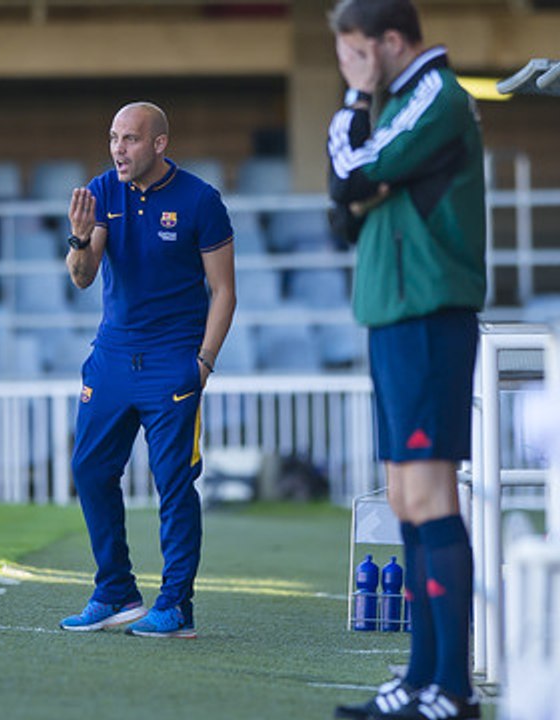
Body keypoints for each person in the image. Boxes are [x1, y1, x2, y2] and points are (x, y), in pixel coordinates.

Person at [326, 1, 486, 718]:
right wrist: (362, 177)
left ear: (391, 42)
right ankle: (422, 680)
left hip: (427, 315)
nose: (348, 70)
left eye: (355, 54)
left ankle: (451, 688)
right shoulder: (396, 107)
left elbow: (357, 173)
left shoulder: (437, 95)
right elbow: (342, 206)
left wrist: (358, 113)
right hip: (391, 314)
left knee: (429, 498)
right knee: (403, 503)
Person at [59, 102, 236, 638]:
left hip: (172, 362)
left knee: (174, 484)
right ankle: (115, 591)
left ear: (159, 144)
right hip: (112, 357)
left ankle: (176, 606)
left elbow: (224, 291)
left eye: (130, 139)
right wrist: (78, 239)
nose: (118, 149)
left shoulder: (202, 200)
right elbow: (83, 278)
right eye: (113, 137)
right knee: (90, 471)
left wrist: (203, 364)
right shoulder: (102, 191)